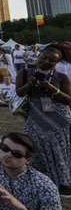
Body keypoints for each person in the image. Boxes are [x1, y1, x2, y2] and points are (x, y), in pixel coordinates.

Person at [15, 42, 71, 197]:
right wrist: (30, 85)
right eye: (44, 57)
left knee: (59, 149)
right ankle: (38, 178)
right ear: (39, 55)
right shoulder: (25, 73)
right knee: (34, 146)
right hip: (35, 114)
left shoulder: (62, 77)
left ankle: (62, 182)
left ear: (57, 62)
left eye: (52, 61)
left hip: (58, 116)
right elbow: (19, 92)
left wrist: (53, 89)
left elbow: (68, 99)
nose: (46, 62)